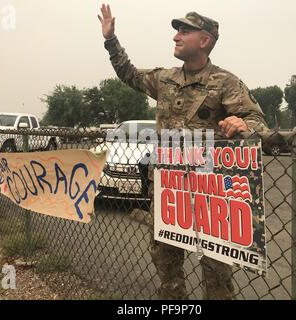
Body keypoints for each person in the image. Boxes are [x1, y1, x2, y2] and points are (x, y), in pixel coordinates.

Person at [98, 4, 268, 300]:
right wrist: (111, 40)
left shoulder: (225, 82)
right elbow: (129, 74)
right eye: (177, 30)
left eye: (185, 30)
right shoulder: (165, 79)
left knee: (216, 266)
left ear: (205, 41)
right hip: (168, 190)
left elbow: (257, 121)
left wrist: (242, 122)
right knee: (165, 260)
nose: (176, 36)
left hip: (209, 192)